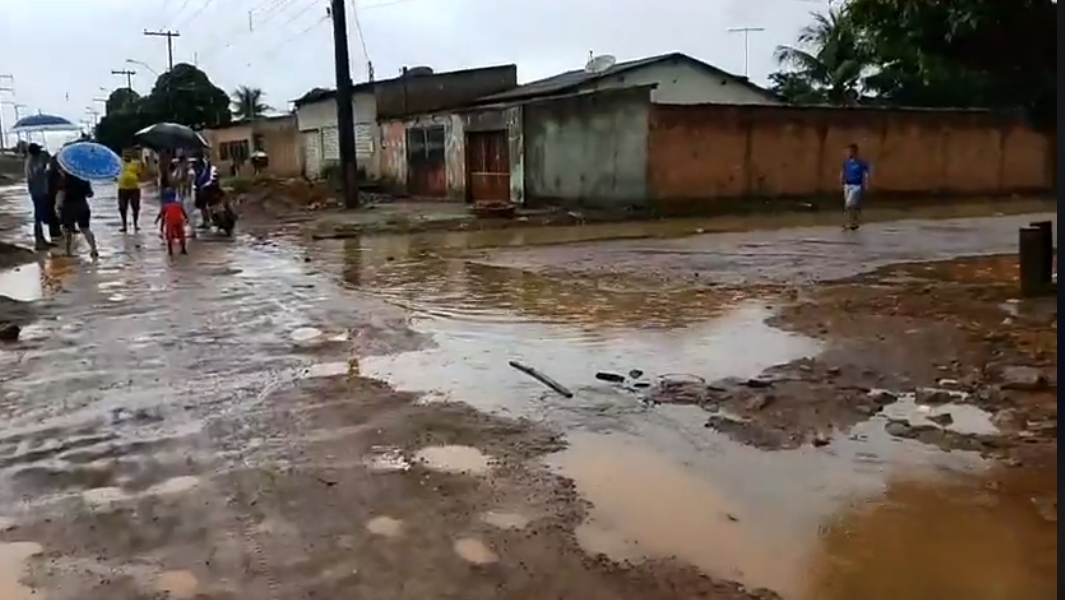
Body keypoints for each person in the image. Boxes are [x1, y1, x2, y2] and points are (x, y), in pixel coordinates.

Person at [55, 165, 99, 258]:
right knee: (85, 229)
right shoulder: (84, 179)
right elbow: (90, 194)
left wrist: (57, 207)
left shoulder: (65, 179)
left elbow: (61, 194)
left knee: (67, 230)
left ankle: (68, 252)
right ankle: (94, 249)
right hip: (83, 206)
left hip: (68, 207)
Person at [24, 143, 60, 250]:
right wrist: (44, 166)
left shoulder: (33, 162)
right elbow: (35, 176)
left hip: (40, 192)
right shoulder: (31, 164)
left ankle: (42, 240)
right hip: (38, 193)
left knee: (40, 216)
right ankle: (39, 242)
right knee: (38, 217)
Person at [841, 143, 871, 231]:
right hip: (847, 185)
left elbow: (867, 172)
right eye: (848, 151)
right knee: (848, 206)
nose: (848, 153)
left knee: (850, 204)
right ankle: (853, 222)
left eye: (850, 151)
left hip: (856, 185)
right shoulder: (846, 162)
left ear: (855, 152)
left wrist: (866, 183)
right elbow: (843, 171)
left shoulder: (861, 162)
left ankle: (852, 222)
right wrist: (841, 181)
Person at [155, 188, 188, 256]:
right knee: (181, 234)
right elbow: (184, 213)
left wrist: (156, 220)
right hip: (179, 220)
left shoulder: (166, 206)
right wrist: (186, 219)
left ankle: (170, 251)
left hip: (170, 221)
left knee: (169, 236)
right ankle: (183, 249)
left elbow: (161, 214)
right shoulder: (178, 204)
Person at [116, 152, 144, 233]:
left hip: (134, 189)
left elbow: (140, 174)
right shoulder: (119, 163)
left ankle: (135, 224)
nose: (127, 156)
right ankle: (124, 225)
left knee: (135, 207)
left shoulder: (136, 163)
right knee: (122, 208)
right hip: (122, 188)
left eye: (128, 154)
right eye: (125, 155)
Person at [193, 157, 219, 231]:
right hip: (203, 189)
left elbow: (213, 178)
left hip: (209, 189)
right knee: (203, 206)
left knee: (207, 206)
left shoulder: (208, 169)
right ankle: (207, 221)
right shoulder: (199, 170)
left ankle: (209, 220)